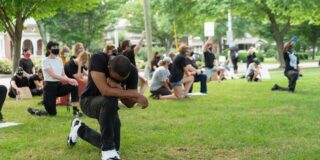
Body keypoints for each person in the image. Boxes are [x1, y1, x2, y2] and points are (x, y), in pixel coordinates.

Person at [66, 54, 148, 160]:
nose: (120, 81)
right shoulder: (98, 59)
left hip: (109, 108)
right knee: (110, 99)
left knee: (115, 146)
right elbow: (105, 91)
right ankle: (107, 150)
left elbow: (129, 104)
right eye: (116, 78)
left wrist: (118, 87)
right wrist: (136, 95)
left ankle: (80, 129)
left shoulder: (132, 71)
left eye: (123, 80)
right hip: (88, 101)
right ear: (109, 68)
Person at [27, 41, 83, 116]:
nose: (56, 49)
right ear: (49, 50)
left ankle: (75, 110)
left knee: (74, 85)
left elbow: (63, 74)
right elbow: (53, 75)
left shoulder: (59, 60)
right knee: (52, 113)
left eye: (57, 47)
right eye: (54, 47)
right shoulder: (45, 61)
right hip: (49, 87)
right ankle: (36, 111)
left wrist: (70, 81)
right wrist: (69, 79)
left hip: (58, 85)